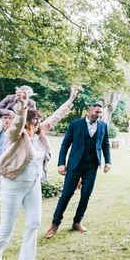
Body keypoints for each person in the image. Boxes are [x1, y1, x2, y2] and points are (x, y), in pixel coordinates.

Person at [0, 87, 77, 260]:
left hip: (33, 184)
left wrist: (71, 99)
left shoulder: (39, 134)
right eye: (35, 121)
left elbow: (56, 117)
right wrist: (23, 105)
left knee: (34, 222)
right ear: (27, 122)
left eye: (39, 120)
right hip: (14, 185)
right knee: (6, 227)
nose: (38, 123)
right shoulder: (15, 135)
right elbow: (17, 122)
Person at [44, 101, 112, 239]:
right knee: (66, 194)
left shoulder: (103, 125)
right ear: (89, 110)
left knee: (86, 195)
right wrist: (61, 163)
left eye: (100, 112)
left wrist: (108, 161)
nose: (98, 115)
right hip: (75, 165)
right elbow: (65, 144)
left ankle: (77, 222)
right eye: (96, 112)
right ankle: (55, 224)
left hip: (92, 166)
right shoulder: (75, 124)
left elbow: (105, 144)